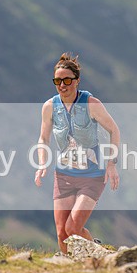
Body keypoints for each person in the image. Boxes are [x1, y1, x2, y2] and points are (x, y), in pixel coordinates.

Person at [34, 53, 120, 254]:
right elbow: (43, 138)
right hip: (64, 174)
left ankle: (99, 254)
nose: (62, 85)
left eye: (67, 80)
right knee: (62, 234)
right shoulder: (49, 107)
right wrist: (42, 163)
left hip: (92, 175)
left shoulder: (91, 103)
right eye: (57, 81)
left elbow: (114, 130)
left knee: (73, 228)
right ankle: (73, 268)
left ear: (77, 80)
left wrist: (111, 164)